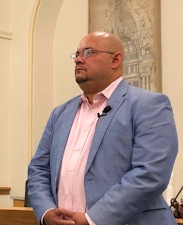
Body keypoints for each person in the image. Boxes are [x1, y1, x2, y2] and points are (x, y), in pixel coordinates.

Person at [27, 31, 178, 225]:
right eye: (77, 54)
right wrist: (46, 212)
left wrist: (92, 219)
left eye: (88, 52)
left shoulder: (149, 105)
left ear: (115, 60)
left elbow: (150, 174)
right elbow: (38, 169)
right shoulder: (60, 113)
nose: (78, 60)